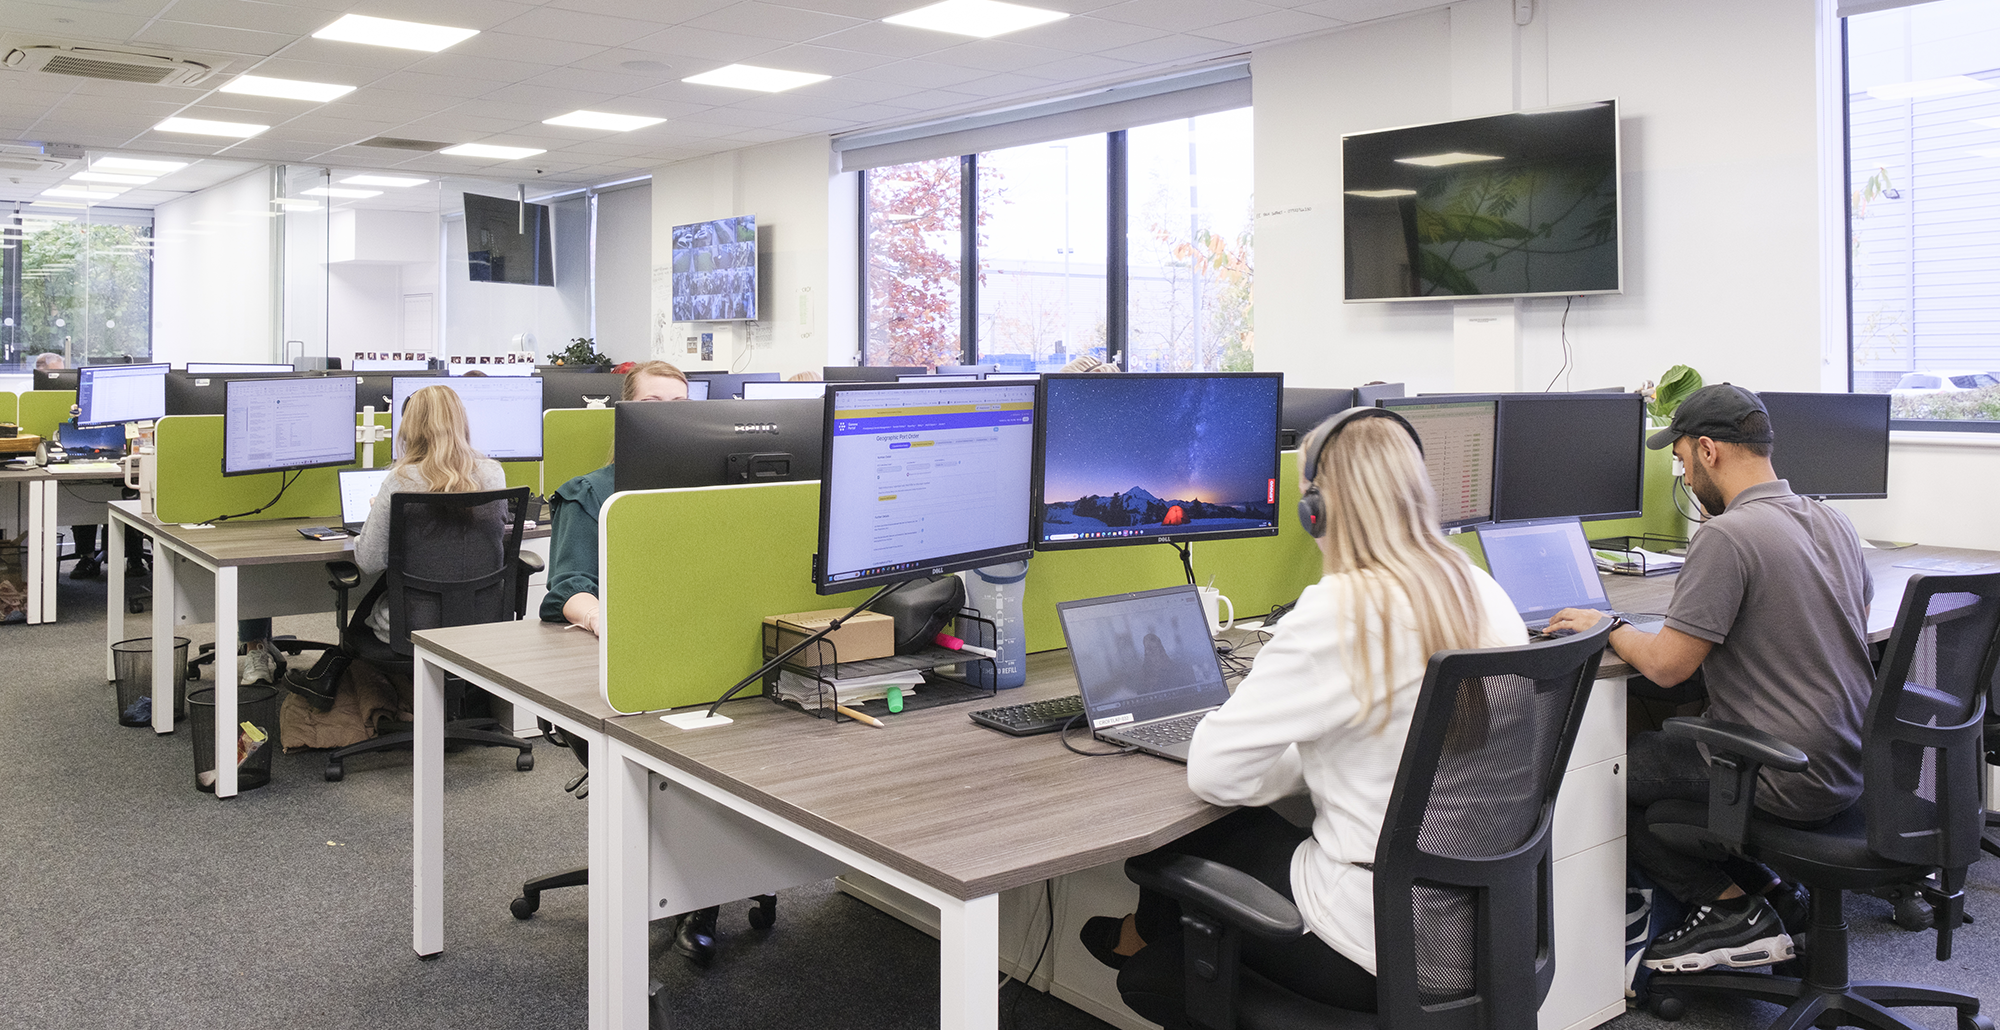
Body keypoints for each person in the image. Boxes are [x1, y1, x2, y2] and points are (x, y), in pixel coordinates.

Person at [1080, 408, 1527, 1012]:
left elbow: (1214, 773)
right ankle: (1148, 939)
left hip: (1378, 941)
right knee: (1232, 836)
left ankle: (1148, 947)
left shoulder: (1338, 609)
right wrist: (1317, 748)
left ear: (1315, 512)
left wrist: (1297, 752)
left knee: (1177, 871)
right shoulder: (1480, 588)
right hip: (1478, 928)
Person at [1544, 384, 1874, 974]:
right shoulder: (1832, 520)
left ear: (1708, 451)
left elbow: (1669, 667)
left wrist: (1608, 623)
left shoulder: (1727, 536)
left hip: (1781, 772)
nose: (1686, 479)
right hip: (1848, 761)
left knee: (1598, 776)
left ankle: (1730, 913)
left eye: (1681, 463)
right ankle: (1772, 899)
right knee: (1655, 764)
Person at [540, 360, 734, 965]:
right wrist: (601, 619)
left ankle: (714, 871)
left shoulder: (718, 486)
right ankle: (692, 890)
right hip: (625, 667)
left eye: (679, 403)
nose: (668, 415)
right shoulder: (590, 493)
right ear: (625, 416)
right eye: (652, 402)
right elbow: (565, 586)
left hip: (708, 653)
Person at [351, 384, 507, 639]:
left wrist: (373, 521)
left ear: (411, 427)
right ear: (461, 422)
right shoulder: (493, 473)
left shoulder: (400, 480)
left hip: (417, 623)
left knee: (363, 619)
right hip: (482, 619)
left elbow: (369, 562)